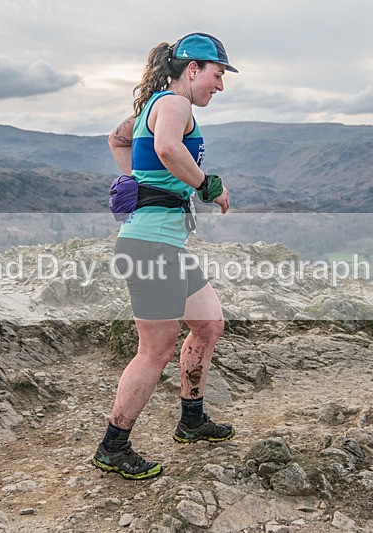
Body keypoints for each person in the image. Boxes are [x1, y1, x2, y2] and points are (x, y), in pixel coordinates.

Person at [92, 33, 237, 480]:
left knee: (209, 323)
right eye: (217, 75)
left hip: (165, 245)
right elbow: (168, 148)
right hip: (150, 246)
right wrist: (206, 186)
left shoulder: (151, 106)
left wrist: (142, 181)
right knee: (155, 349)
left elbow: (117, 139)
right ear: (192, 69)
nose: (220, 85)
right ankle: (113, 446)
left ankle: (191, 420)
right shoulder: (175, 104)